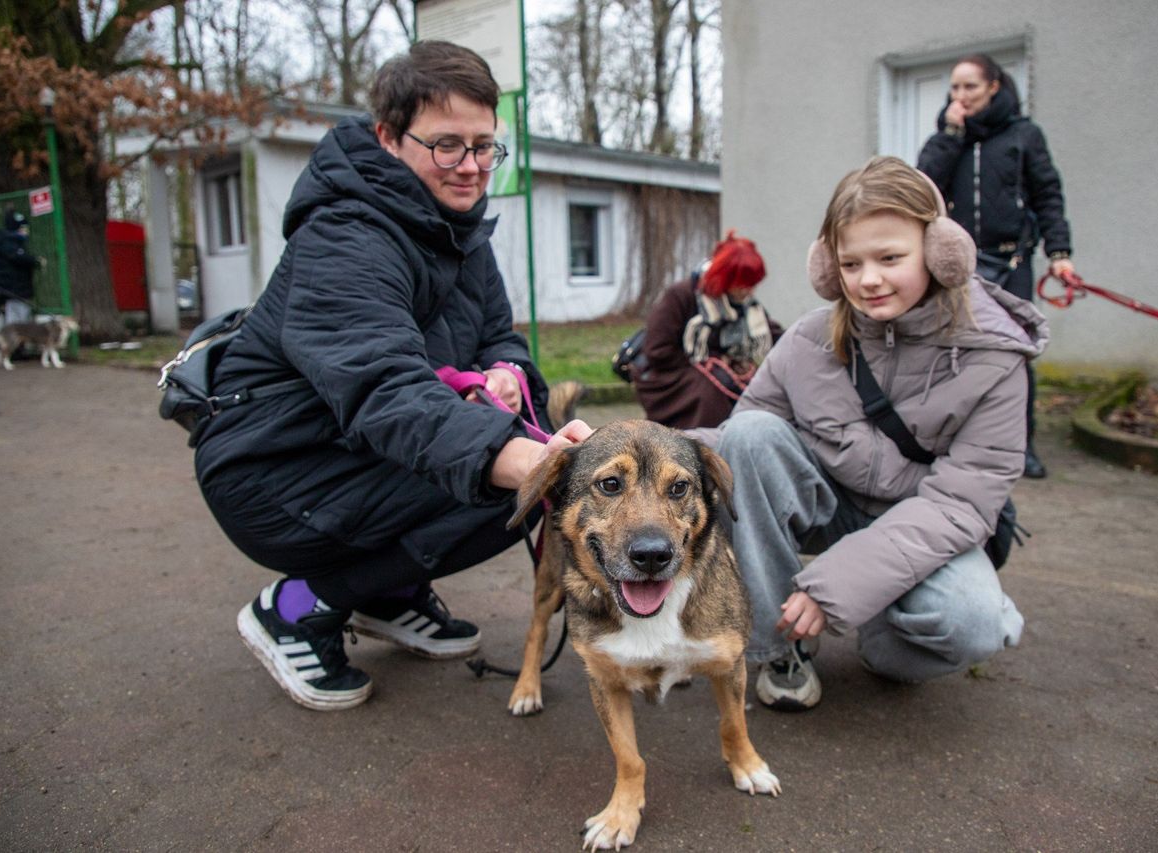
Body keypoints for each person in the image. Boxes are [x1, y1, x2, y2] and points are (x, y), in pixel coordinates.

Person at [192, 41, 589, 712]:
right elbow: (383, 388)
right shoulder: (344, 235)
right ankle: (294, 605)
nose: (471, 168)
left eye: (485, 146)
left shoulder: (458, 230)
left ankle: (384, 591)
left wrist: (505, 375)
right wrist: (529, 457)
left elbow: (500, 335)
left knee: (517, 463)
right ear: (388, 136)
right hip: (271, 467)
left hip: (348, 450)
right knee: (515, 477)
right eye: (447, 146)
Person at [692, 156, 1047, 711]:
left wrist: (846, 584)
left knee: (973, 623)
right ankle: (781, 647)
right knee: (754, 434)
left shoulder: (996, 356)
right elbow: (739, 444)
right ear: (828, 267)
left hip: (930, 523)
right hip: (831, 506)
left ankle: (883, 632)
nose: (869, 279)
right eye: (851, 263)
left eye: (890, 258)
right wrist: (636, 446)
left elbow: (960, 503)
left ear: (939, 251)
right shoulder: (808, 340)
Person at [917, 53, 1074, 479]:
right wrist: (951, 134)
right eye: (954, 88)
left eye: (970, 86)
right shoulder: (949, 136)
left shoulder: (1024, 135)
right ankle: (954, 442)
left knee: (1014, 355)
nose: (961, 95)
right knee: (955, 354)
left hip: (1013, 261)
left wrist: (1059, 254)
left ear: (994, 87)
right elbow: (922, 186)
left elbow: (1047, 194)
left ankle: (1021, 445)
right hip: (959, 267)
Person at [633, 230, 783, 429]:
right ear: (724, 277)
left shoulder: (744, 303)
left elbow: (774, 334)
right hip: (669, 376)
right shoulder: (680, 295)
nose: (749, 291)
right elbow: (657, 350)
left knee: (756, 391)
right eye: (742, 284)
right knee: (710, 394)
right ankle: (704, 448)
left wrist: (797, 344)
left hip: (714, 371)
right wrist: (713, 362)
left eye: (752, 284)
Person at [0, 209, 40, 331]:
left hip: (4, 293)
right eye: (22, 228)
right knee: (14, 324)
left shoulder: (3, 246)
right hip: (7, 293)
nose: (25, 232)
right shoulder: (7, 248)